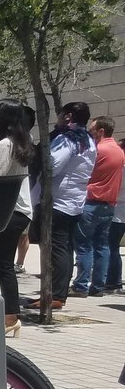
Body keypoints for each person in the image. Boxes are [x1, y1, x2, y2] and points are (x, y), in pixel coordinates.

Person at [26, 102, 96, 310]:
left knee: (57, 248)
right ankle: (57, 293)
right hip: (72, 199)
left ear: (68, 117)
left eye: (60, 115)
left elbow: (52, 165)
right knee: (64, 247)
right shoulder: (88, 139)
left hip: (58, 200)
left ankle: (55, 295)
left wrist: (37, 158)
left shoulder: (67, 139)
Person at [0, 100, 36, 337]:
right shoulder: (21, 142)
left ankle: (10, 315)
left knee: (1, 264)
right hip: (17, 213)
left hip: (9, 213)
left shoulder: (4, 144)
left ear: (2, 119)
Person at [73, 116, 123, 296]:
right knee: (103, 246)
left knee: (84, 245)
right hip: (109, 204)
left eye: (92, 130)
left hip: (91, 202)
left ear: (101, 131)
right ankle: (98, 286)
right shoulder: (119, 151)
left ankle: (81, 285)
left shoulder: (97, 150)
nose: (89, 133)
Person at [108, 137, 125, 295]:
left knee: (111, 246)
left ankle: (114, 282)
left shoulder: (121, 168)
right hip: (120, 211)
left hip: (118, 211)